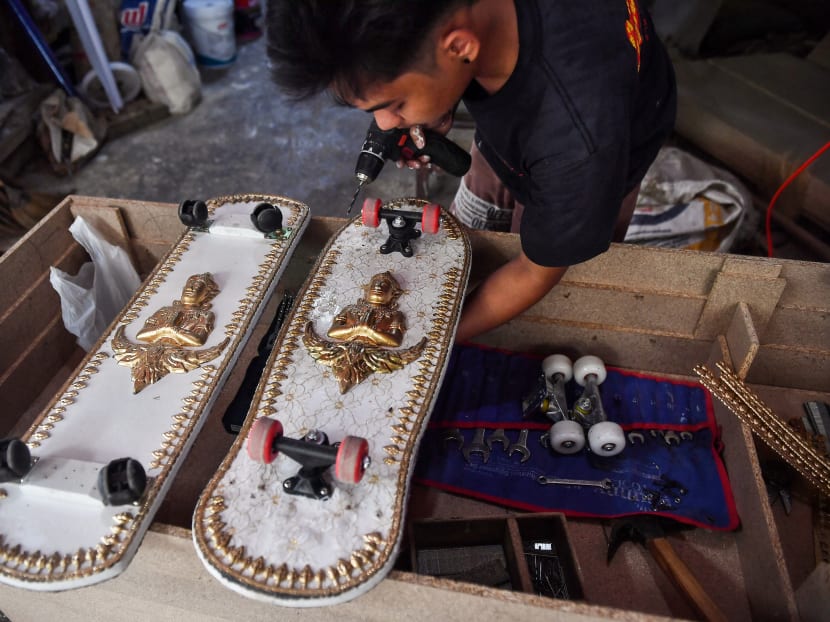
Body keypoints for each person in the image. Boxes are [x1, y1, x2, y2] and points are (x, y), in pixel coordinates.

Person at [264, 0, 676, 343]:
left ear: (460, 45)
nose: (387, 125)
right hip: (536, 112)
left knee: (540, 272)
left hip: (608, 138)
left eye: (394, 104)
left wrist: (432, 342)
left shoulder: (576, 147)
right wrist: (433, 103)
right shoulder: (467, 31)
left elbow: (536, 272)